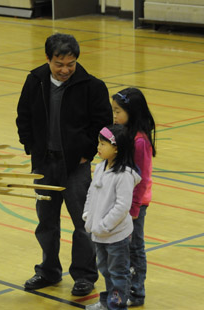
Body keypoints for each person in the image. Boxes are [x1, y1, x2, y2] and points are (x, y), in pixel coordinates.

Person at [16, 33, 113, 296]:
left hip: (76, 167)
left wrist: (87, 152)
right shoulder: (35, 80)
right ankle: (48, 271)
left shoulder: (92, 86)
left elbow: (103, 124)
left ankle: (84, 275)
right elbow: (23, 115)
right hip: (45, 164)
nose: (65, 70)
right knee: (46, 221)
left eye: (71, 64)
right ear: (48, 59)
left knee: (83, 222)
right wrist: (31, 147)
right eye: (59, 64)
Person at [84, 124, 141, 310]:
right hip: (99, 233)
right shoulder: (100, 167)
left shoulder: (124, 175)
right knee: (105, 271)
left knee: (118, 273)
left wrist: (105, 225)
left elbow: (122, 206)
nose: (98, 147)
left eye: (102, 144)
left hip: (115, 235)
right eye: (98, 143)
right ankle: (107, 302)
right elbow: (91, 193)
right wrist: (88, 215)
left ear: (116, 148)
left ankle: (116, 306)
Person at [111, 88, 156, 307]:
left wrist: (134, 208)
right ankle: (124, 287)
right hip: (122, 202)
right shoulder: (124, 134)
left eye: (118, 111)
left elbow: (142, 178)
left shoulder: (139, 142)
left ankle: (136, 292)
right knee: (122, 247)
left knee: (135, 247)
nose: (114, 115)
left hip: (134, 205)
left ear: (132, 111)